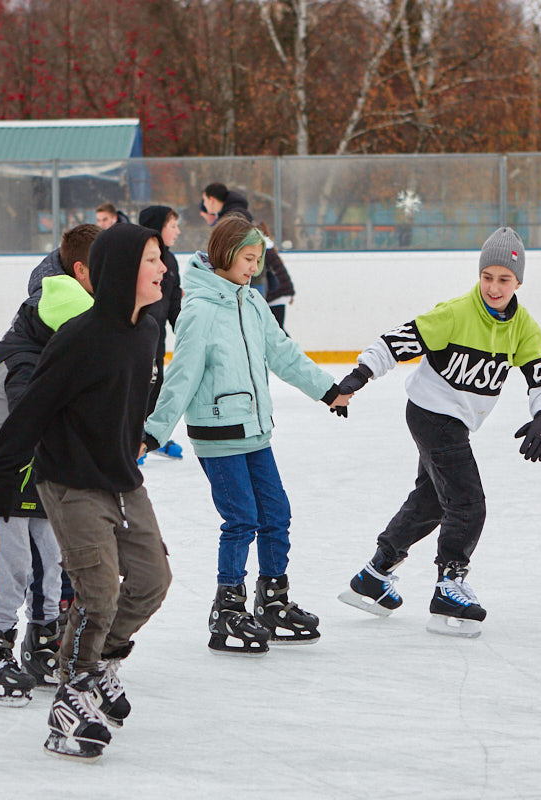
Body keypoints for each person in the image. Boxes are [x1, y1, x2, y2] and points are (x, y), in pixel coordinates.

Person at [0, 223, 173, 762]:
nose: (163, 269)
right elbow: (31, 414)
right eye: (153, 260)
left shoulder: (147, 327)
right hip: (68, 480)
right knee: (98, 592)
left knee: (153, 580)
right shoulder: (79, 339)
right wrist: (1, 484)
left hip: (120, 477)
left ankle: (102, 662)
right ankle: (71, 694)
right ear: (119, 273)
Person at [336, 228, 541, 639]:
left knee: (433, 502)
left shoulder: (524, 327)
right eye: (487, 277)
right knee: (468, 502)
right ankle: (448, 586)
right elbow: (398, 341)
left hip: (455, 421)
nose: (494, 287)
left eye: (504, 279)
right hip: (430, 413)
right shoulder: (456, 313)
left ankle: (374, 574)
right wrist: (359, 376)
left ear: (518, 282)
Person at [142, 215, 350, 655]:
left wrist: (326, 390)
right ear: (225, 255)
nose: (254, 268)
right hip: (217, 434)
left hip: (256, 431)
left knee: (276, 514)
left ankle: (272, 599)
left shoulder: (252, 302)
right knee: (241, 521)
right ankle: (228, 608)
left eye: (258, 260)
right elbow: (180, 377)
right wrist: (154, 432)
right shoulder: (198, 310)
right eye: (249, 259)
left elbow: (284, 353)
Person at [0, 225, 98, 704]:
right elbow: (28, 409)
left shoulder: (64, 339)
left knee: (49, 556)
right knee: (13, 561)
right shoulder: (27, 357)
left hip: (38, 459)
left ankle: (41, 642)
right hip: (1, 459)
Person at [137, 204, 184, 462]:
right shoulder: (137, 258)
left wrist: (186, 331)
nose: (177, 231)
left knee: (157, 388)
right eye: (172, 225)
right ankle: (132, 440)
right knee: (138, 389)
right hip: (137, 337)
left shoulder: (171, 261)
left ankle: (152, 437)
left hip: (158, 340)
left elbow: (174, 304)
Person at [257, 221, 295, 331]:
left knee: (277, 330)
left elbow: (278, 274)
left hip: (277, 294)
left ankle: (291, 348)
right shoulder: (267, 249)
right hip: (279, 293)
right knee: (276, 329)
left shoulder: (265, 251)